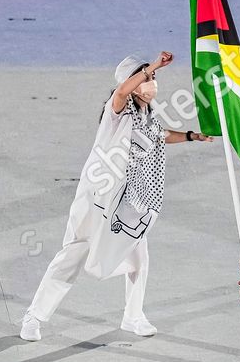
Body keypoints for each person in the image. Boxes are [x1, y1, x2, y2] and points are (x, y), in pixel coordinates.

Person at [20, 54, 212, 341]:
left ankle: (133, 316)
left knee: (139, 256)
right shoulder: (116, 111)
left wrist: (189, 136)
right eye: (146, 79)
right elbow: (121, 91)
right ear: (132, 84)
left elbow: (160, 136)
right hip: (96, 198)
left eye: (153, 79)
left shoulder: (148, 117)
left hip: (129, 200)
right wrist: (153, 67)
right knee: (72, 256)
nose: (152, 82)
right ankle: (34, 317)